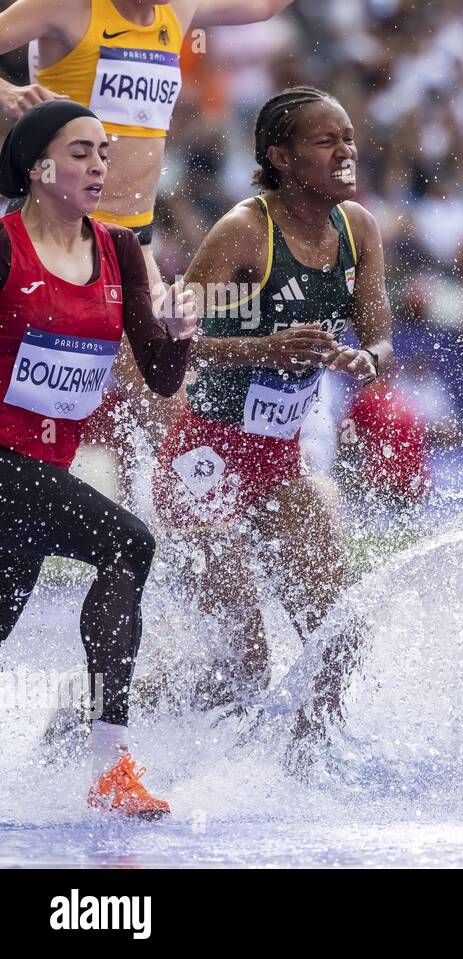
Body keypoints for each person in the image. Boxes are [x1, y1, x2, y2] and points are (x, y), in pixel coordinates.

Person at [149, 86, 392, 764]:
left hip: (278, 460)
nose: (344, 150)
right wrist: (260, 348)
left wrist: (361, 358)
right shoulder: (243, 233)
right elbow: (168, 340)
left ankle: (302, 767)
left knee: (338, 633)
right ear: (281, 158)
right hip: (204, 459)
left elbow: (382, 341)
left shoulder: (359, 229)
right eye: (326, 140)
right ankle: (112, 707)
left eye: (348, 137)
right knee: (243, 665)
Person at [0, 0, 299, 483]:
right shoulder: (64, 8)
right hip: (55, 238)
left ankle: (182, 535)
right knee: (32, 399)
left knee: (169, 400)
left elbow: (263, 7)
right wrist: (7, 93)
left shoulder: (176, 9)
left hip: (131, 246)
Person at [0, 100, 197, 817]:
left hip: (40, 473)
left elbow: (162, 375)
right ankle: (110, 767)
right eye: (81, 152)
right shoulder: (4, 245)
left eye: (105, 153)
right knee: (129, 543)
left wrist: (179, 333)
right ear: (36, 164)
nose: (99, 166)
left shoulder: (118, 250)